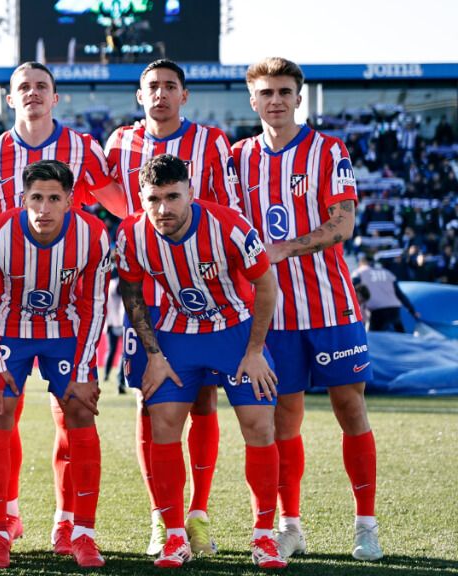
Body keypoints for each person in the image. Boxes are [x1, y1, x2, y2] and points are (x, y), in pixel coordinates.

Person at [0, 61, 123, 547]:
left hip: (68, 303)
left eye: (41, 87)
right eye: (22, 87)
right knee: (3, 408)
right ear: (10, 98)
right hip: (8, 309)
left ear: (55, 97)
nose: (32, 94)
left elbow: (121, 207)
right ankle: (5, 518)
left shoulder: (84, 149)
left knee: (69, 413)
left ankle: (68, 520)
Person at [233, 57, 382, 562]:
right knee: (283, 418)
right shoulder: (236, 159)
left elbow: (342, 226)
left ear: (299, 98)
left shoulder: (327, 151)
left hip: (332, 307)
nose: (275, 100)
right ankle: (290, 526)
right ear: (252, 101)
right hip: (272, 316)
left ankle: (366, 525)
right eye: (265, 92)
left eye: (284, 91)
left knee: (350, 408)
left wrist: (282, 248)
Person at [116, 154, 286, 569]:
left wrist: (254, 350)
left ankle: (264, 536)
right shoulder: (131, 234)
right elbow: (133, 294)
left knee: (259, 425)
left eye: (173, 196)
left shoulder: (229, 226)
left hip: (235, 330)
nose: (164, 209)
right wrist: (154, 355)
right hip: (177, 333)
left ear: (190, 192)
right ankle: (175, 535)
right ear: (141, 197)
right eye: (154, 199)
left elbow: (267, 285)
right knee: (164, 423)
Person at [103, 58, 242, 557]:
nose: (160, 94)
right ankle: (164, 521)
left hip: (202, 297)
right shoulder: (118, 143)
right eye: (151, 87)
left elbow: (227, 211)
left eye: (169, 86)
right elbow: (113, 203)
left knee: (203, 401)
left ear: (184, 95)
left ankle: (198, 514)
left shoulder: (212, 142)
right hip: (148, 296)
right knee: (149, 401)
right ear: (139, 96)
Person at [0, 160, 110, 569]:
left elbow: (94, 303)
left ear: (70, 200)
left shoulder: (93, 235)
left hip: (65, 329)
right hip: (8, 329)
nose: (44, 208)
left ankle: (79, 530)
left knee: (81, 413)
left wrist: (84, 370)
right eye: (36, 198)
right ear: (22, 198)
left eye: (54, 198)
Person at [352, 252, 420, 332]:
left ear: (361, 263)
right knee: (401, 337)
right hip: (394, 309)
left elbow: (352, 291)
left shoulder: (359, 272)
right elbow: (400, 294)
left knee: (374, 338)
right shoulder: (387, 273)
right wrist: (412, 311)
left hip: (375, 310)